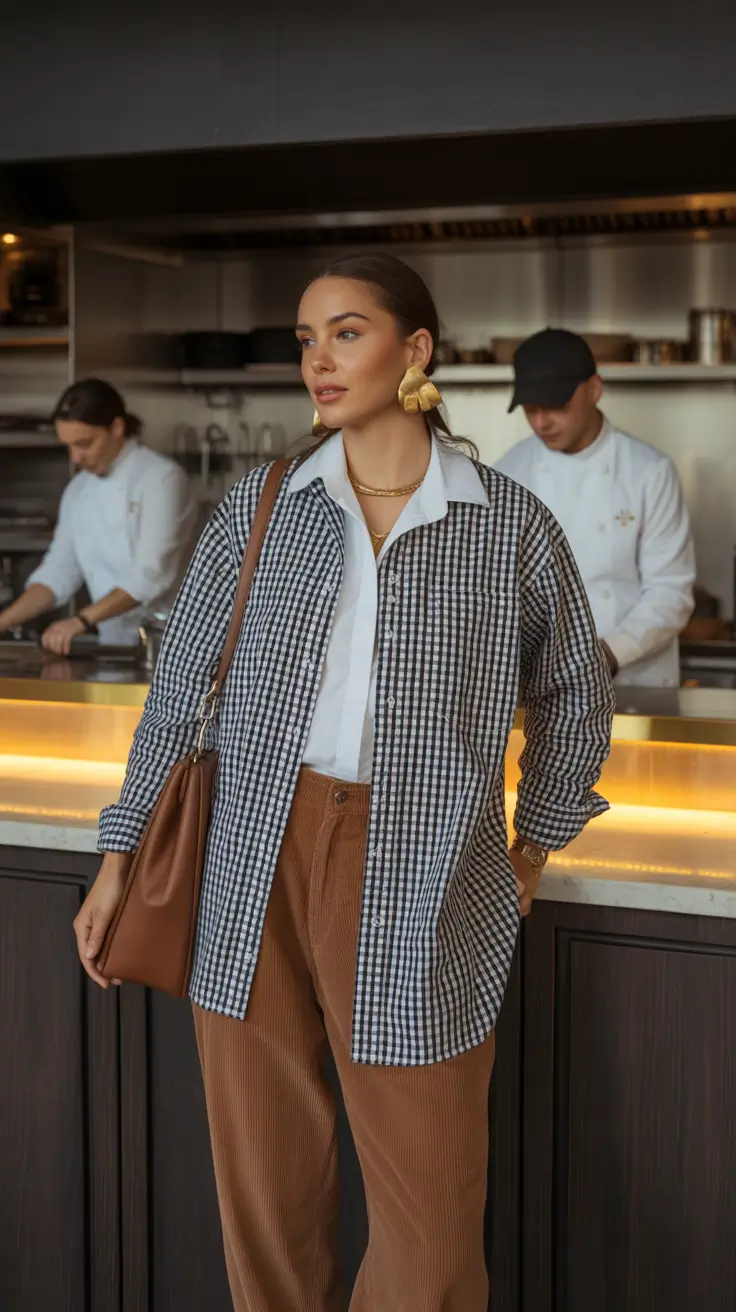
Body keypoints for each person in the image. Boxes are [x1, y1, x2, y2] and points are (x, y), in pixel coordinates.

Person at [74, 255, 614, 1312]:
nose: (319, 358)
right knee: (265, 1191)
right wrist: (115, 858)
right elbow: (180, 687)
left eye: (348, 332)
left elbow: (573, 696)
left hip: (420, 862)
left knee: (429, 1223)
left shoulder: (506, 524)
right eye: (306, 338)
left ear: (415, 351)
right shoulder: (264, 505)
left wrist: (532, 847)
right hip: (248, 851)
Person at [496, 329, 696, 687]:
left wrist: (603, 656)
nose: (542, 422)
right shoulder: (507, 475)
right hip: (540, 686)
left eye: (557, 406)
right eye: (530, 409)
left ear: (594, 389)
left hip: (635, 681)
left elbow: (670, 592)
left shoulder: (649, 472)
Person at [0, 378, 197, 652]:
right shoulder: (78, 490)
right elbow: (59, 571)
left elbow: (151, 574)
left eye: (84, 443)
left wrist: (80, 620)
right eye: (68, 446)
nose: (76, 458)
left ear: (116, 427)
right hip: (114, 645)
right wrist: (4, 621)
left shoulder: (161, 479)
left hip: (173, 644)